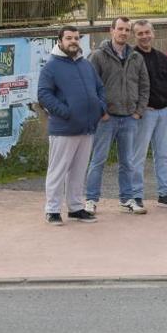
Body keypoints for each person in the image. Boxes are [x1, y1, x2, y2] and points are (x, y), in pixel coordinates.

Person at [38, 26, 103, 225]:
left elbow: (100, 88)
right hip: (64, 129)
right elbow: (44, 95)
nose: (73, 41)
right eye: (69, 38)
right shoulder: (51, 66)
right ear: (60, 41)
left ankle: (75, 208)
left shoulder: (85, 64)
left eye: (76, 38)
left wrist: (100, 108)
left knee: (78, 170)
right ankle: (52, 210)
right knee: (58, 170)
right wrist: (67, 113)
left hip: (87, 127)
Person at [85, 16, 149, 215]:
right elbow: (90, 87)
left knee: (127, 162)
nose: (123, 33)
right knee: (98, 160)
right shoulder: (98, 56)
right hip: (106, 119)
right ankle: (90, 200)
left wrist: (138, 111)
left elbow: (144, 86)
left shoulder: (136, 57)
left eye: (127, 30)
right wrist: (101, 112)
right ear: (111, 30)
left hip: (129, 118)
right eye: (120, 29)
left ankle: (127, 199)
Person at [129, 20, 167, 209]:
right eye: (140, 33)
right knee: (138, 156)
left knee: (164, 155)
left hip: (164, 112)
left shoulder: (161, 57)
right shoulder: (132, 57)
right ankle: (135, 195)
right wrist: (140, 107)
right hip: (144, 114)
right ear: (135, 36)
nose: (144, 36)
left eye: (147, 32)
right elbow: (132, 85)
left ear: (153, 33)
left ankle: (165, 193)